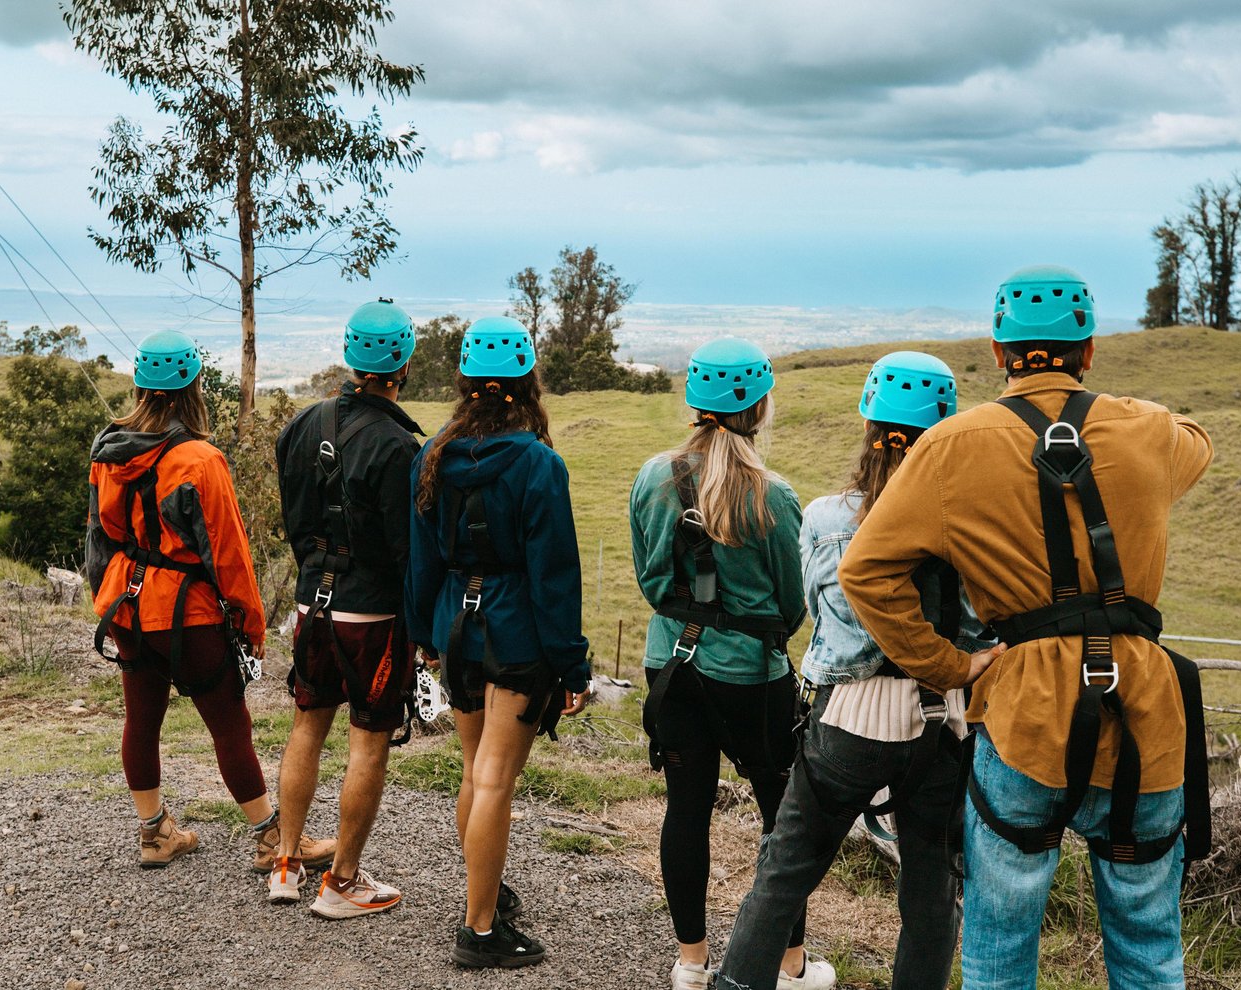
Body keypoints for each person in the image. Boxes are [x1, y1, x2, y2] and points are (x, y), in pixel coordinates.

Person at [840, 266, 1214, 990]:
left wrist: (948, 665)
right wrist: (1116, 410)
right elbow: (1195, 438)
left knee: (1001, 941)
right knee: (1146, 941)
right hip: (1142, 706)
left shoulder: (951, 446)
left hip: (1024, 707)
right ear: (1090, 351)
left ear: (997, 351)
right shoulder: (1148, 431)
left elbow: (865, 571)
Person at [717, 351, 1006, 990]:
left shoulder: (825, 518)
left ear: (869, 427)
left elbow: (817, 612)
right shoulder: (968, 528)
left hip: (846, 719)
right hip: (943, 723)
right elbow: (988, 622)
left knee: (785, 871)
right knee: (932, 887)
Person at [630, 338, 816, 990]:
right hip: (752, 678)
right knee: (781, 814)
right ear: (760, 407)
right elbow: (793, 603)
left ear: (694, 404)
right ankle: (791, 965)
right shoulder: (775, 495)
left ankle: (691, 962)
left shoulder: (654, 477)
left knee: (686, 807)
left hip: (671, 667)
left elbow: (651, 582)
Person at [407, 316, 591, 967]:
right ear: (527, 383)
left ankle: (485, 892)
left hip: (456, 632)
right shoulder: (539, 464)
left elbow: (421, 564)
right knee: (493, 782)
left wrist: (423, 640)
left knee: (474, 771)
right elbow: (555, 578)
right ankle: (479, 931)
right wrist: (573, 668)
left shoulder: (432, 455)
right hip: (513, 639)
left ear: (463, 383)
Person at [88, 330, 285, 869]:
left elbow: (99, 538)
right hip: (186, 610)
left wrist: (104, 597)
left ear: (139, 385)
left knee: (141, 719)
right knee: (229, 724)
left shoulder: (108, 450)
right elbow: (227, 552)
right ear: (192, 386)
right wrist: (250, 622)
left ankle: (154, 835)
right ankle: (271, 842)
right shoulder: (199, 459)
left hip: (125, 605)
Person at [272, 298, 421, 917]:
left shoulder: (301, 425)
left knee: (308, 726)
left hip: (312, 606)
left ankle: (284, 864)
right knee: (368, 742)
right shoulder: (399, 447)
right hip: (370, 616)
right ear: (403, 364)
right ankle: (342, 883)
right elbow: (402, 550)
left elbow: (292, 520)